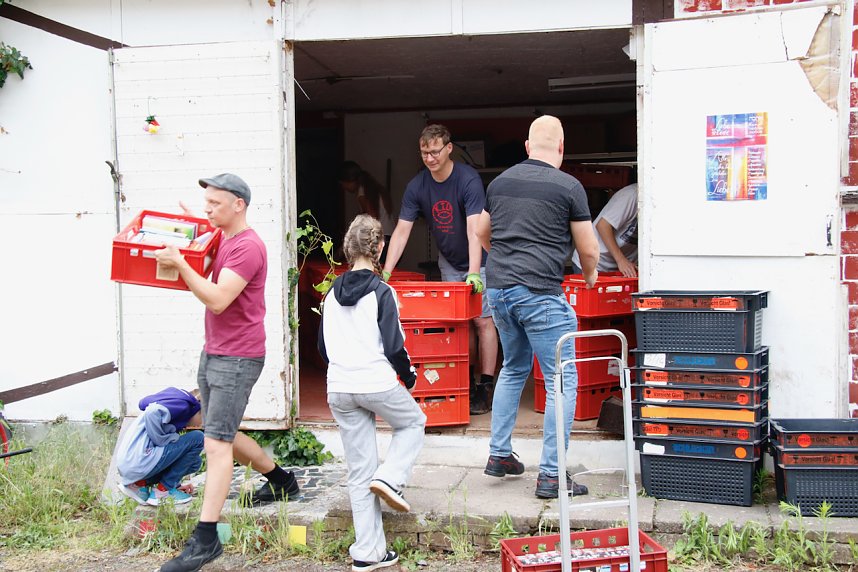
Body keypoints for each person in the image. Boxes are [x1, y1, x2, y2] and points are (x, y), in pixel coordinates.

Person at [154, 173, 300, 572]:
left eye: (215, 203)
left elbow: (218, 299)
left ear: (239, 205)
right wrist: (192, 229)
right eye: (206, 203)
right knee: (220, 431)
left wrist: (180, 263)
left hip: (237, 358)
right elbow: (202, 246)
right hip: (215, 351)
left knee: (216, 444)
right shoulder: (224, 238)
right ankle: (282, 481)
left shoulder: (247, 247)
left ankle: (206, 540)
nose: (208, 209)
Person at [475, 116, 600, 500]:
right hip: (540, 293)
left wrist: (505, 261)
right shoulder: (569, 186)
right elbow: (589, 249)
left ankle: (499, 454)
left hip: (499, 291)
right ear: (561, 148)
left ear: (527, 147)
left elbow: (481, 232)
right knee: (562, 379)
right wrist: (591, 277)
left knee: (514, 367)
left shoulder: (500, 182)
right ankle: (551, 475)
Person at [318, 214, 426, 572]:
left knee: (359, 471)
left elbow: (322, 348)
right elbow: (394, 346)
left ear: (348, 248)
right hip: (376, 382)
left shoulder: (331, 293)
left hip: (339, 387)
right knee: (413, 422)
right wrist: (409, 377)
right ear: (379, 247)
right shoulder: (382, 292)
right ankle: (390, 478)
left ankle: (368, 552)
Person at [383, 124, 498, 415]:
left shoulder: (467, 179)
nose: (430, 158)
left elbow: (475, 230)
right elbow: (401, 232)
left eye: (435, 151)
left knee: (483, 321)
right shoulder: (417, 186)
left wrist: (474, 272)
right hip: (448, 259)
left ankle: (486, 386)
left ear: (449, 149)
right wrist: (385, 272)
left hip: (481, 258)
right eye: (424, 153)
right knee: (461, 322)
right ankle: (465, 381)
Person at [115, 387, 203, 506]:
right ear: (200, 409)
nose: (201, 424)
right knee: (198, 437)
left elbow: (172, 456)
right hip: (140, 460)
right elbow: (152, 412)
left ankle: (139, 485)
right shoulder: (184, 406)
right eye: (204, 419)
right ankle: (163, 492)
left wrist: (176, 485)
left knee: (195, 462)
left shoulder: (174, 415)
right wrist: (161, 440)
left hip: (132, 463)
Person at [572, 182, 638, 277]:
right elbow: (603, 225)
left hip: (624, 267)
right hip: (595, 262)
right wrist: (621, 260)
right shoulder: (632, 195)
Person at [338, 161, 397, 260]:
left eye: (343, 184)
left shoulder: (362, 192)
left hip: (381, 242)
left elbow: (371, 218)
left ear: (350, 181)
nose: (344, 187)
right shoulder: (372, 188)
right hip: (391, 239)